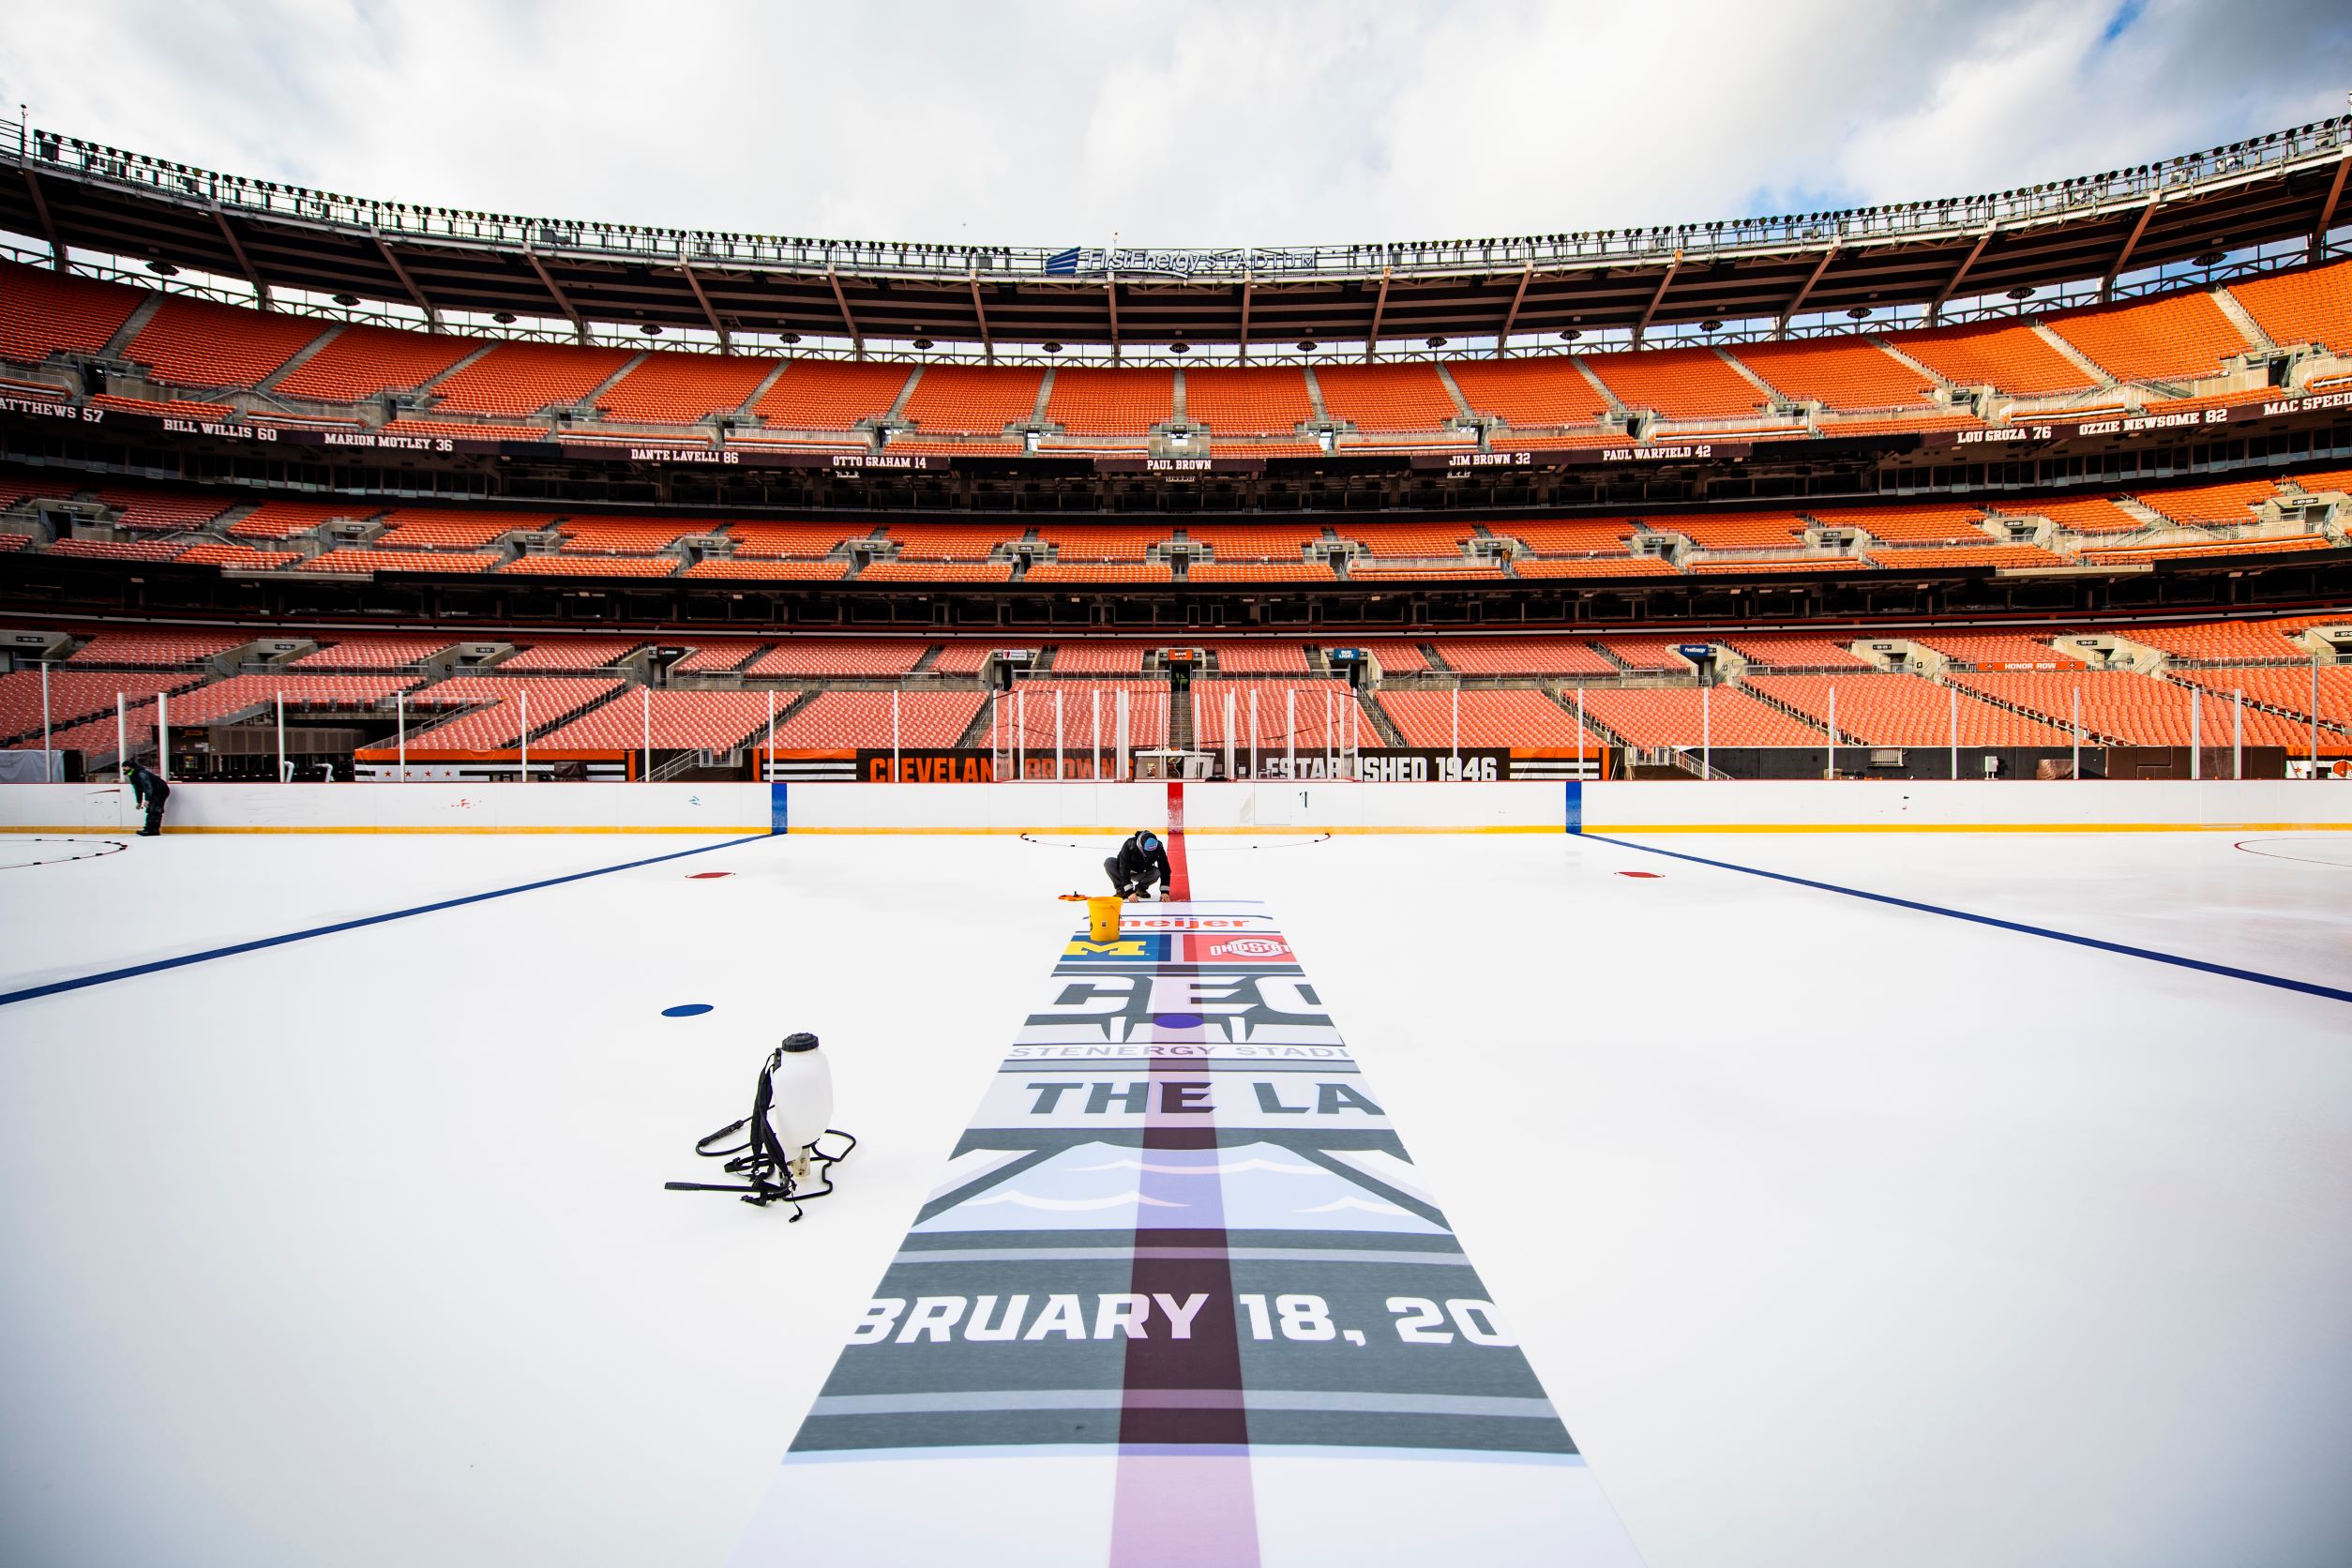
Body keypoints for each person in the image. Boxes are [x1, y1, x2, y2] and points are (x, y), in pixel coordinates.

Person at [1104, 828, 1171, 900]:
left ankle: (1140, 888)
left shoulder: (1159, 847)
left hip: (1142, 872)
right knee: (1109, 862)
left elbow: (1165, 869)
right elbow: (1124, 867)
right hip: (1124, 871)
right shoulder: (1129, 844)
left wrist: (1165, 892)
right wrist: (1129, 891)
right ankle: (1122, 890)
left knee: (1156, 872)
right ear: (1141, 846)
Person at [123, 761, 171, 837]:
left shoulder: (141, 773)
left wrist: (147, 799)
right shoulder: (133, 775)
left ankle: (153, 830)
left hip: (160, 790)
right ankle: (149, 828)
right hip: (154, 791)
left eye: (124, 766)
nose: (123, 768)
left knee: (155, 809)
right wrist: (139, 802)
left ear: (129, 766)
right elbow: (137, 789)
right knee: (150, 809)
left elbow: (148, 787)